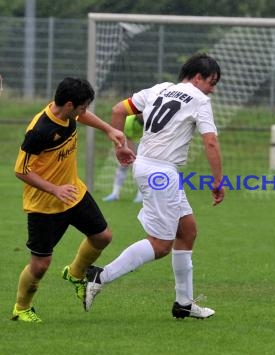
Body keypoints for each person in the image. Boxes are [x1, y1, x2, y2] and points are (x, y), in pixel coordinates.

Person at [85, 53, 224, 319]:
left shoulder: (160, 89)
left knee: (188, 231)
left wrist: (121, 147)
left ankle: (183, 303)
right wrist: (218, 181)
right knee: (161, 245)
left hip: (147, 166)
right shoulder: (199, 100)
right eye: (211, 81)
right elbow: (211, 142)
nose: (212, 89)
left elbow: (118, 110)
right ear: (197, 78)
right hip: (161, 173)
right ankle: (100, 276)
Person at [11, 77, 127, 322]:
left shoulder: (67, 113)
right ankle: (22, 308)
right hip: (44, 204)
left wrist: (109, 129)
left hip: (73, 193)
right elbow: (21, 170)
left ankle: (75, 274)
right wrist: (54, 189)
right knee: (40, 265)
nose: (84, 112)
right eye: (82, 106)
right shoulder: (40, 130)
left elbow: (82, 117)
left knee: (102, 236)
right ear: (69, 105)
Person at [102, 114, 143, 203]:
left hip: (146, 143)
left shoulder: (152, 118)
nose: (141, 113)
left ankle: (141, 195)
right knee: (124, 165)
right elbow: (129, 139)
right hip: (131, 141)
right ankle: (115, 194)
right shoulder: (129, 121)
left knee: (141, 169)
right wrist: (131, 157)